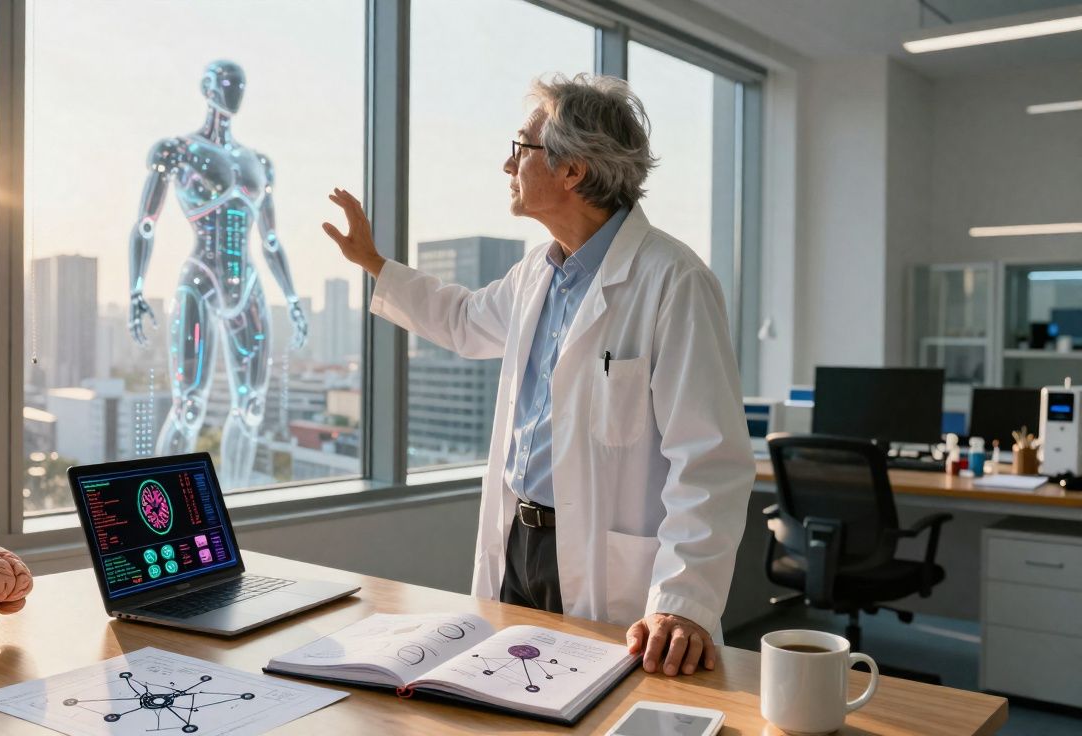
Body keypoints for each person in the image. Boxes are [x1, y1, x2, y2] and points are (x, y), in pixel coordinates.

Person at [322, 73, 754, 677]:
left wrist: (683, 602)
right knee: (509, 697)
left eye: (521, 148)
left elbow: (710, 460)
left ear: (572, 169)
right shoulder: (537, 273)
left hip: (607, 563)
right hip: (517, 544)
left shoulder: (673, 280)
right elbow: (466, 321)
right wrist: (374, 263)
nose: (507, 164)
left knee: (603, 708)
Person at [127, 60, 308, 490]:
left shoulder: (258, 162)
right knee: (189, 405)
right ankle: (163, 511)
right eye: (226, 83)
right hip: (201, 276)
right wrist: (136, 289)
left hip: (246, 281)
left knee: (252, 406)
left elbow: (270, 240)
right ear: (206, 87)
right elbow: (146, 223)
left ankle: (236, 501)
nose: (234, 91)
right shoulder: (177, 150)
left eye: (239, 83)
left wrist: (294, 299)